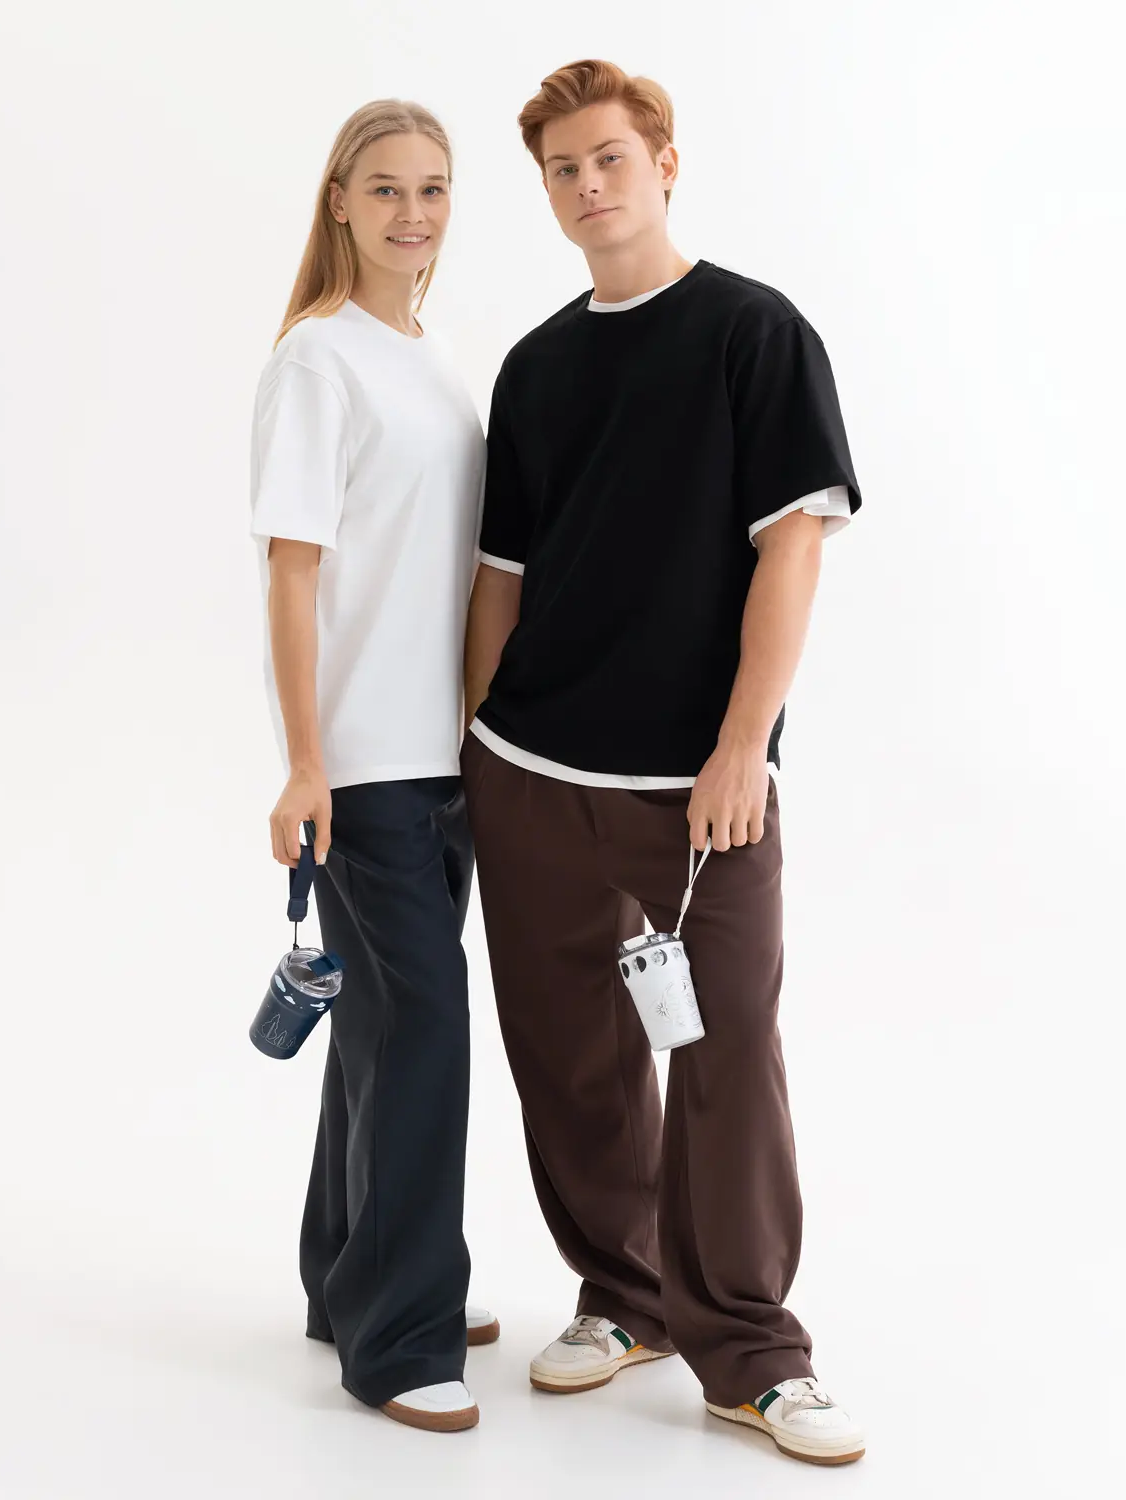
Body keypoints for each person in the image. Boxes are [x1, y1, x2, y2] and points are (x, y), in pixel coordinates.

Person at [461, 60, 867, 1465]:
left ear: (666, 163)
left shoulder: (756, 334)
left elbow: (792, 550)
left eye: (610, 159)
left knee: (725, 1056)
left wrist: (744, 745)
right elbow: (501, 580)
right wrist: (474, 749)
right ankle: (624, 1296)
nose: (588, 186)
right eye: (563, 169)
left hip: (700, 791)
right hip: (529, 771)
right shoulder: (535, 367)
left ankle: (750, 1352)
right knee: (570, 1057)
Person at [248, 99, 496, 1433]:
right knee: (425, 1029)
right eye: (387, 188)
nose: (413, 212)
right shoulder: (317, 359)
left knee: (383, 1029)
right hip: (363, 762)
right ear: (339, 199)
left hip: (445, 754)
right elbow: (292, 571)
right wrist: (306, 763)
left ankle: (348, 1277)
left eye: (434, 189)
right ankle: (399, 1340)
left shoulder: (433, 357)